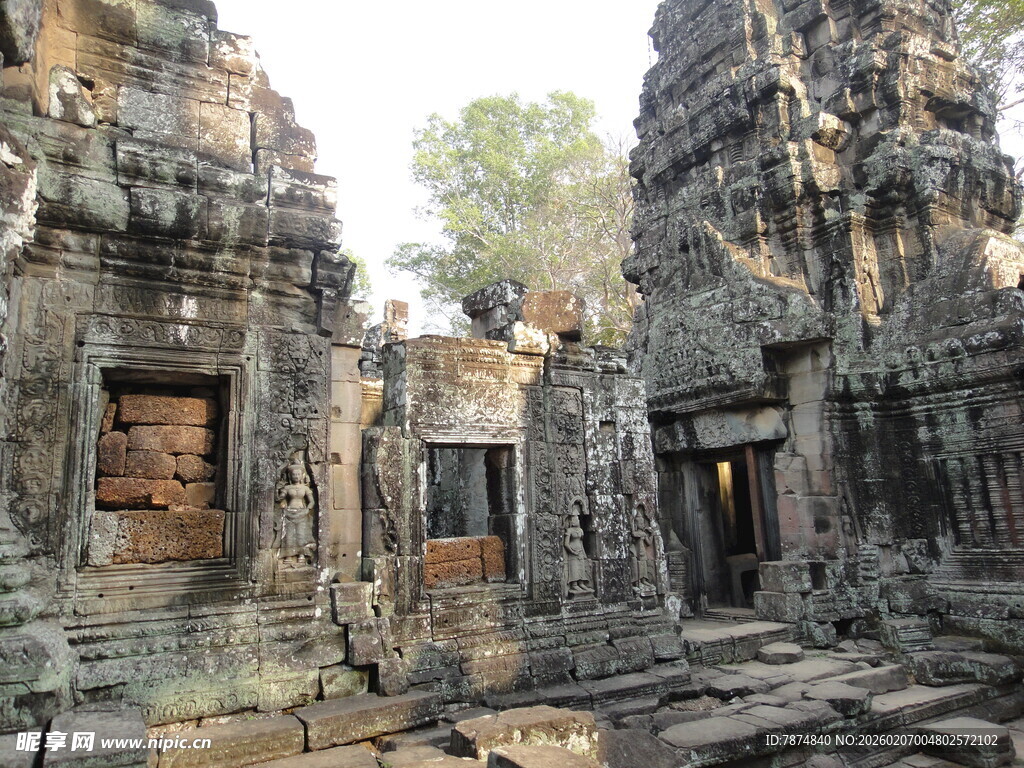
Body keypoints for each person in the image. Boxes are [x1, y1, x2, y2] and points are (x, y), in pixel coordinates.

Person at [274, 454, 316, 565]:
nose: (296, 476)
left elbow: (312, 501)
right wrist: (279, 488)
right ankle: (288, 555)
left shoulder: (305, 488)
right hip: (289, 512)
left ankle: (301, 555)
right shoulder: (287, 488)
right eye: (294, 474)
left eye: (298, 474)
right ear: (290, 476)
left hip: (302, 512)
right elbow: (279, 498)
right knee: (289, 536)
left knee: (301, 534)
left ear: (302, 475)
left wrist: (308, 509)